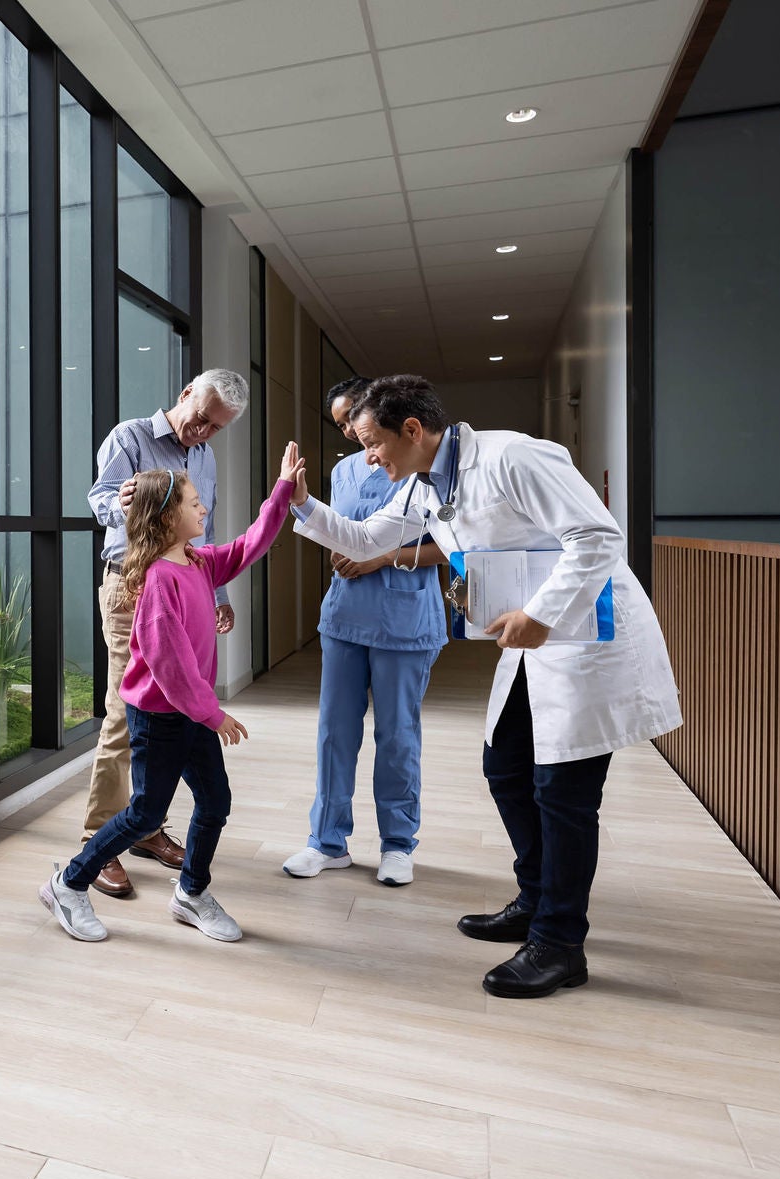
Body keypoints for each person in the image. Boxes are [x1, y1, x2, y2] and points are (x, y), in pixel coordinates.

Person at [287, 375, 681, 999]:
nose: (367, 458)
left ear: (411, 430)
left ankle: (559, 942)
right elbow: (364, 540)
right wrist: (303, 504)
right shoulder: (422, 487)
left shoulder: (513, 456)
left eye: (371, 443)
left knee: (564, 794)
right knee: (505, 767)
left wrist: (542, 613)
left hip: (585, 636)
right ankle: (535, 898)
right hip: (532, 644)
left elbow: (599, 537)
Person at [42, 442, 306, 944]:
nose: (203, 507)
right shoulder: (160, 581)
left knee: (214, 803)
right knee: (145, 812)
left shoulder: (198, 563)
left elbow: (251, 544)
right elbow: (171, 667)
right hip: (161, 717)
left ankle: (191, 892)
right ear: (165, 518)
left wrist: (283, 491)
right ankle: (69, 883)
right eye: (192, 502)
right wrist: (213, 715)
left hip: (190, 714)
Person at [79, 369, 249, 898]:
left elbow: (207, 526)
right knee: (124, 715)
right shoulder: (129, 438)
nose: (203, 433)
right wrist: (123, 504)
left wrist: (217, 593)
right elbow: (99, 499)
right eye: (201, 420)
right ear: (184, 396)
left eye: (215, 429)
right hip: (131, 589)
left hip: (184, 586)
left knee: (173, 713)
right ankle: (98, 839)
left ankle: (146, 827)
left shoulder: (204, 457)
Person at [282, 377, 447, 888]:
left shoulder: (421, 466)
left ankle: (398, 844)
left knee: (397, 735)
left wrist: (382, 559)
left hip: (404, 618)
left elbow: (452, 543)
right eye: (341, 426)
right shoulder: (344, 469)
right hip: (345, 616)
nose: (354, 434)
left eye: (357, 419)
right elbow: (344, 531)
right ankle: (327, 841)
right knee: (335, 732)